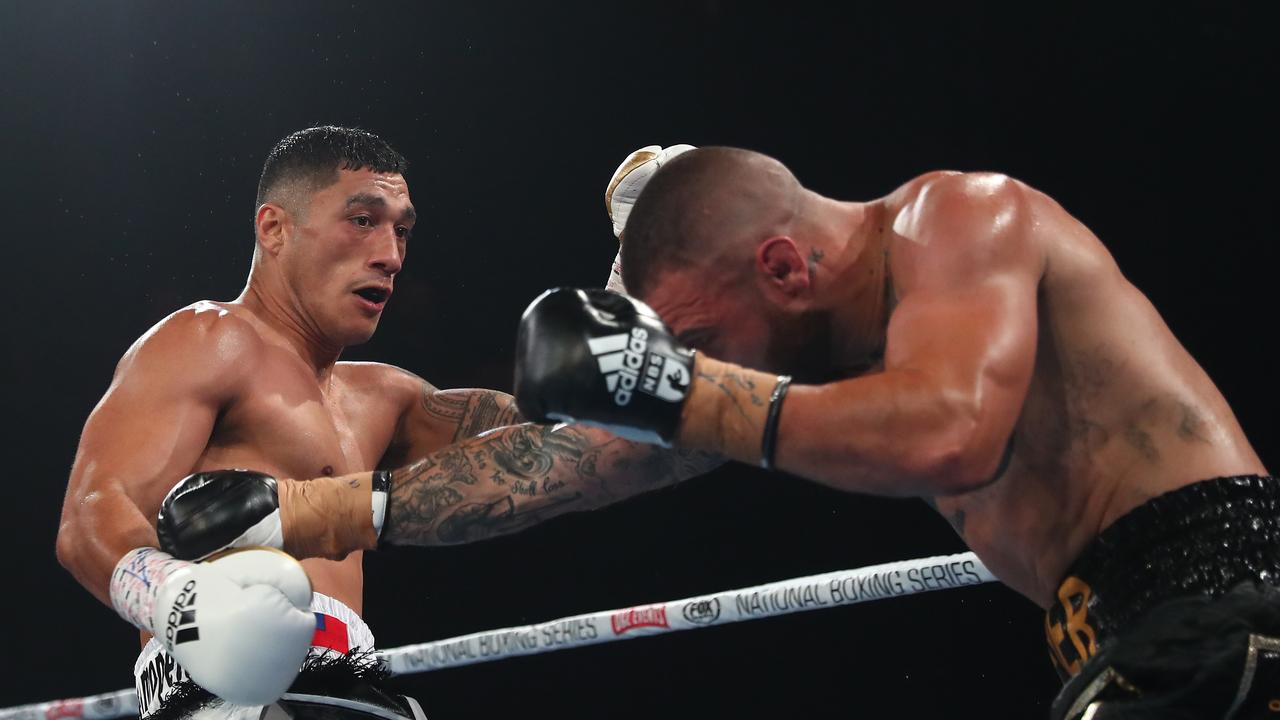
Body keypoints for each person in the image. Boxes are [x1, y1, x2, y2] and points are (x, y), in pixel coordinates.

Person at [515, 146, 1280, 719]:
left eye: (707, 341)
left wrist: (678, 390)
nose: (715, 369)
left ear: (782, 268)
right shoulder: (850, 370)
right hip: (1119, 639)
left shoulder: (958, 217)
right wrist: (389, 502)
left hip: (1222, 595)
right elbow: (600, 455)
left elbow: (952, 433)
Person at [56, 127, 716, 720]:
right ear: (275, 228)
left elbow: (573, 444)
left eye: (401, 230)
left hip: (358, 690)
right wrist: (178, 601)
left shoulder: (386, 396)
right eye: (363, 220)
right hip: (217, 693)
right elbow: (90, 515)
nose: (391, 255)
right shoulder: (209, 339)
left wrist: (637, 282)